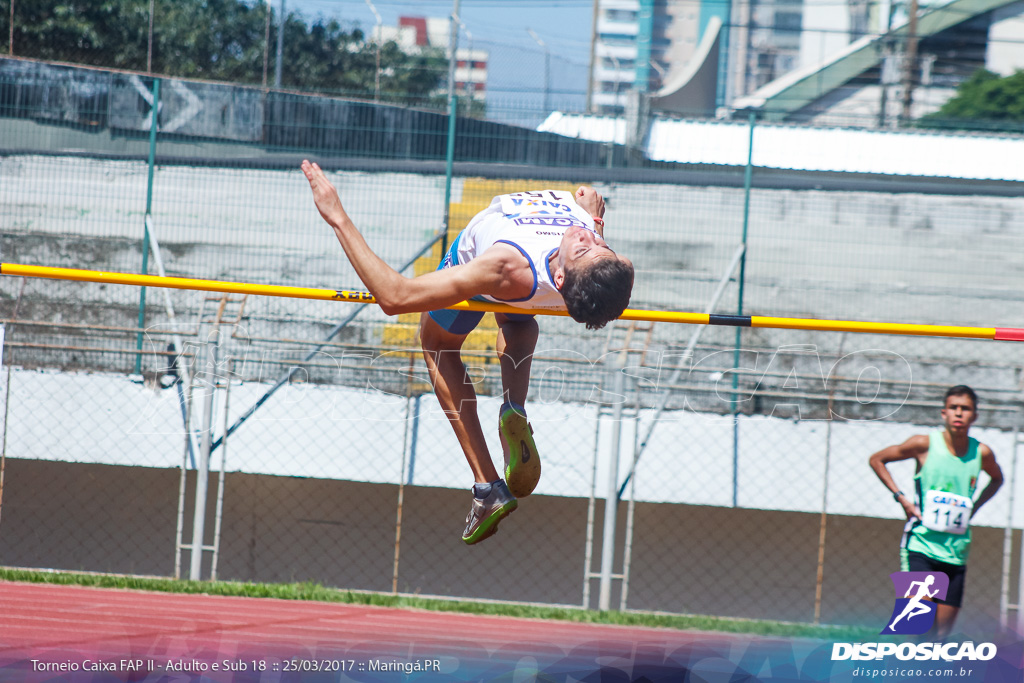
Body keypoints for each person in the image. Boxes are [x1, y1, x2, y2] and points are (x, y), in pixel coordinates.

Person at [302, 161, 634, 545]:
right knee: (519, 319)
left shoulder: (501, 267)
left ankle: (488, 485)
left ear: (562, 276)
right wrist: (594, 218)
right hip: (533, 292)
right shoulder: (589, 249)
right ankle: (515, 407)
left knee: (438, 345)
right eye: (599, 241)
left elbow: (395, 297)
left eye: (586, 247)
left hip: (495, 271)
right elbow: (596, 240)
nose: (588, 237)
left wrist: (337, 216)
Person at [869, 385, 1003, 640]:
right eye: (954, 408)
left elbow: (997, 479)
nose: (959, 414)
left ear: (974, 416)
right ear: (944, 413)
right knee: (917, 625)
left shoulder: (981, 452)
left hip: (956, 552)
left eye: (965, 409)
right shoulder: (924, 445)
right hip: (922, 547)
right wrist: (902, 499)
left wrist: (974, 507)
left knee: (939, 637)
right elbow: (877, 459)